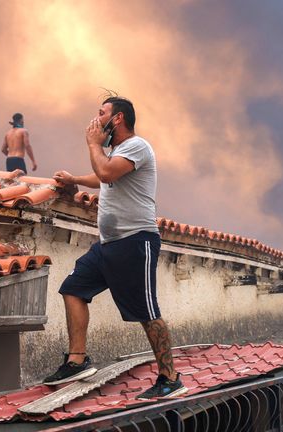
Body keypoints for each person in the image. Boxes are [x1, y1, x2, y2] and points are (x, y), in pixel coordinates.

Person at [47, 96, 187, 400]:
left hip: (136, 242)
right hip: (108, 246)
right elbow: (103, 177)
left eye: (101, 114)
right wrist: (74, 180)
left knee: (147, 313)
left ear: (118, 118)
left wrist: (92, 144)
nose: (96, 121)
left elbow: (107, 172)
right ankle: (77, 360)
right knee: (73, 289)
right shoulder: (116, 153)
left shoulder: (138, 146)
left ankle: (170, 377)